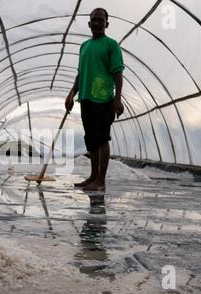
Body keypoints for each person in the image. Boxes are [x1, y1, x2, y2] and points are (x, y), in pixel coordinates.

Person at [65, 8, 125, 192]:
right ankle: (92, 177)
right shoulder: (84, 46)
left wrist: (117, 99)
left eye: (101, 20)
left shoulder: (111, 45)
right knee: (91, 140)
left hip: (103, 99)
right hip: (87, 98)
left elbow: (118, 73)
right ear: (89, 24)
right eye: (94, 20)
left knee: (101, 139)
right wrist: (71, 94)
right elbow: (81, 73)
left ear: (106, 24)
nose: (97, 23)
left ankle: (101, 180)